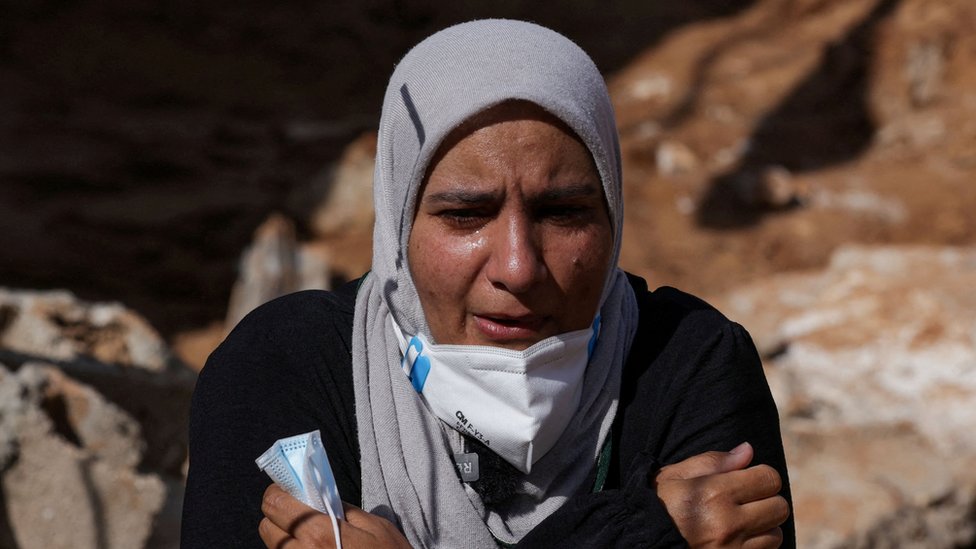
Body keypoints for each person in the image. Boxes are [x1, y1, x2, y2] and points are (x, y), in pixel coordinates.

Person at [182, 19, 793, 548]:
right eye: (465, 215)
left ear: (612, 214)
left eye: (563, 212)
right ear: (399, 227)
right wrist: (640, 532)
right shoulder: (285, 368)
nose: (518, 267)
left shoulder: (688, 359)